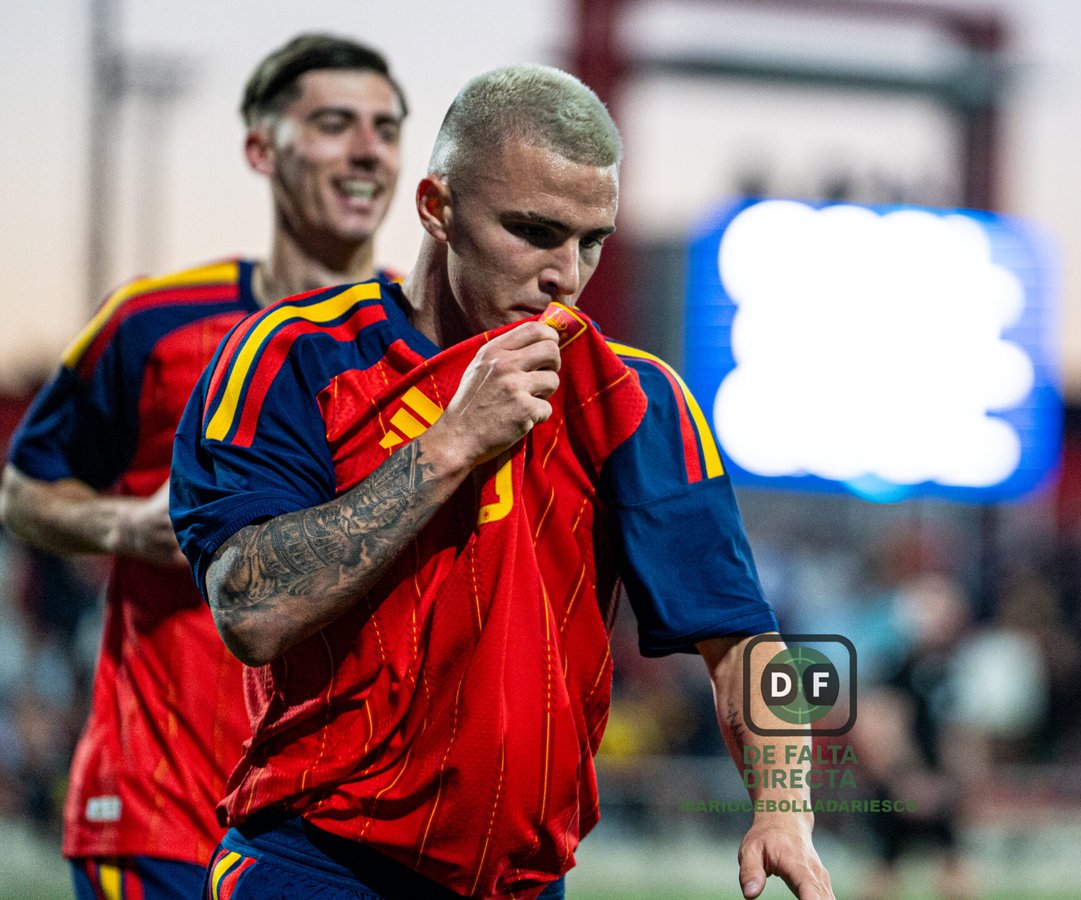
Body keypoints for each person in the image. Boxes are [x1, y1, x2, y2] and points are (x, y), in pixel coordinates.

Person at [169, 64, 834, 900]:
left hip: (524, 883)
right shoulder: (293, 358)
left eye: (591, 240)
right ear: (435, 207)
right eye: (534, 230)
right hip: (315, 864)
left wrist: (784, 806)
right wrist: (449, 445)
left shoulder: (637, 402)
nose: (566, 272)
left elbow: (741, 640)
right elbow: (249, 609)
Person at [0, 33, 407, 900]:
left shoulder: (424, 348)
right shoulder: (153, 323)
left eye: (386, 126)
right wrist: (123, 523)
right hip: (161, 813)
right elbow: (21, 491)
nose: (368, 147)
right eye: (335, 122)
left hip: (336, 830)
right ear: (261, 148)